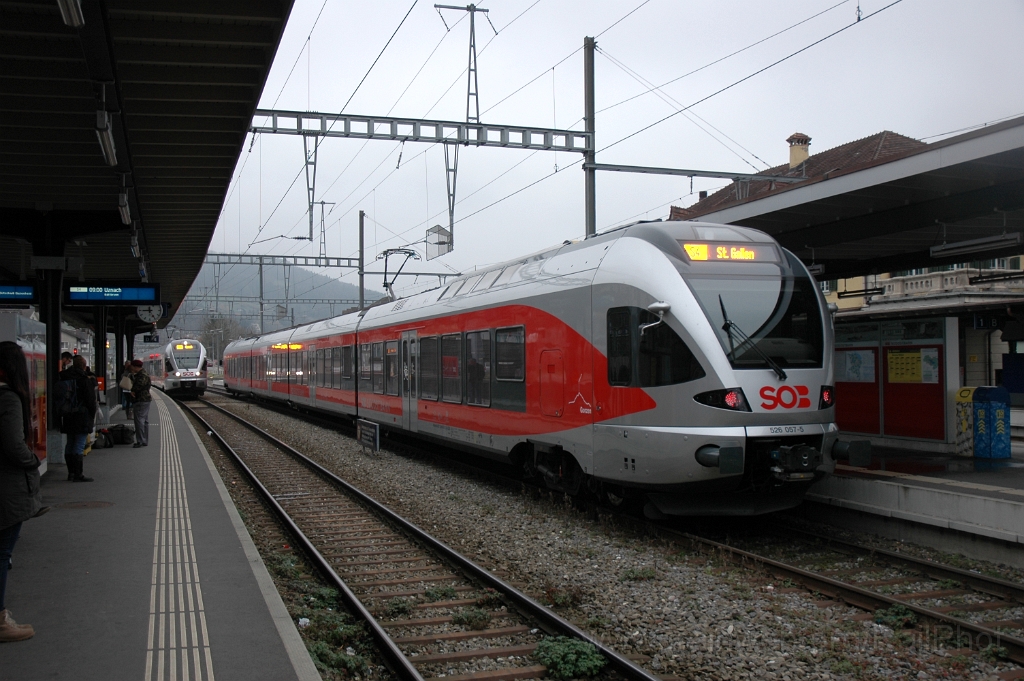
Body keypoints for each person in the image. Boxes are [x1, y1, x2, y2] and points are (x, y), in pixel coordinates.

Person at [0, 340, 44, 642]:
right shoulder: (8, 398)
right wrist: (33, 460)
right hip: (7, 489)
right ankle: (1, 621)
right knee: (2, 553)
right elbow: (13, 445)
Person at [59, 355, 98, 482]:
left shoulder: (64, 377)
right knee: (79, 444)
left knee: (70, 442)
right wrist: (92, 415)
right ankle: (78, 474)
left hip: (67, 414)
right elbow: (91, 401)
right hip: (82, 415)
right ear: (84, 366)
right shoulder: (84, 380)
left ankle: (70, 473)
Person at [129, 359, 152, 448]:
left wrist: (133, 390)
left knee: (139, 420)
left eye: (132, 366)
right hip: (145, 399)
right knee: (144, 421)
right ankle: (144, 440)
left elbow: (140, 385)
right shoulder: (143, 374)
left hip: (141, 400)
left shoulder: (142, 375)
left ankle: (140, 441)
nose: (131, 368)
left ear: (135, 367)